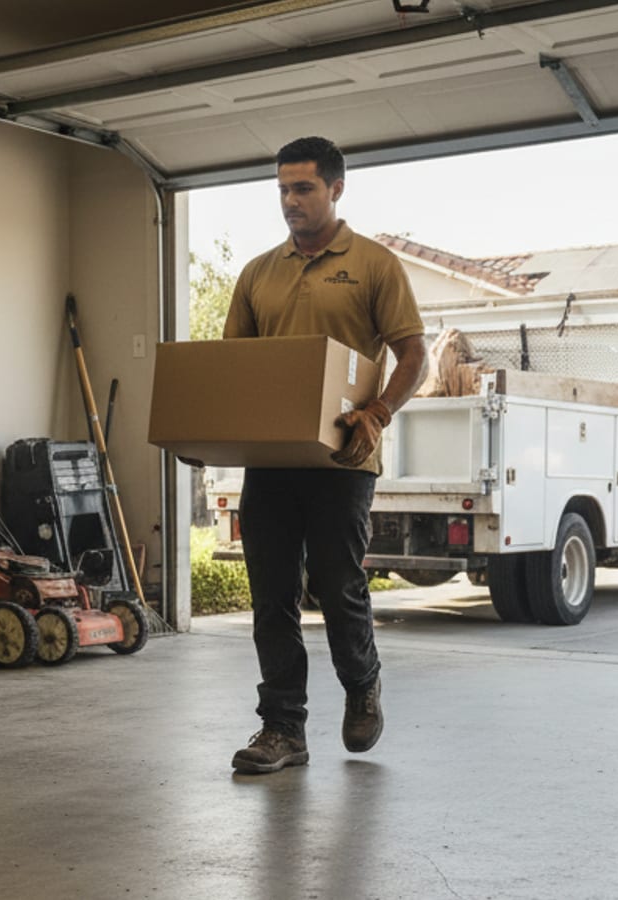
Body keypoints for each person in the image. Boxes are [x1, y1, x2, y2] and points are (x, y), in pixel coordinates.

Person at [222, 136, 429, 774]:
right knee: (271, 595)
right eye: (282, 189)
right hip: (273, 461)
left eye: (303, 188)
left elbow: (413, 355)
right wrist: (207, 436)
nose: (290, 201)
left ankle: (362, 686)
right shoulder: (258, 272)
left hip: (344, 459)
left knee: (337, 586)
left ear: (336, 189)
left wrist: (379, 412)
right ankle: (283, 728)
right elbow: (233, 367)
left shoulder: (373, 264)